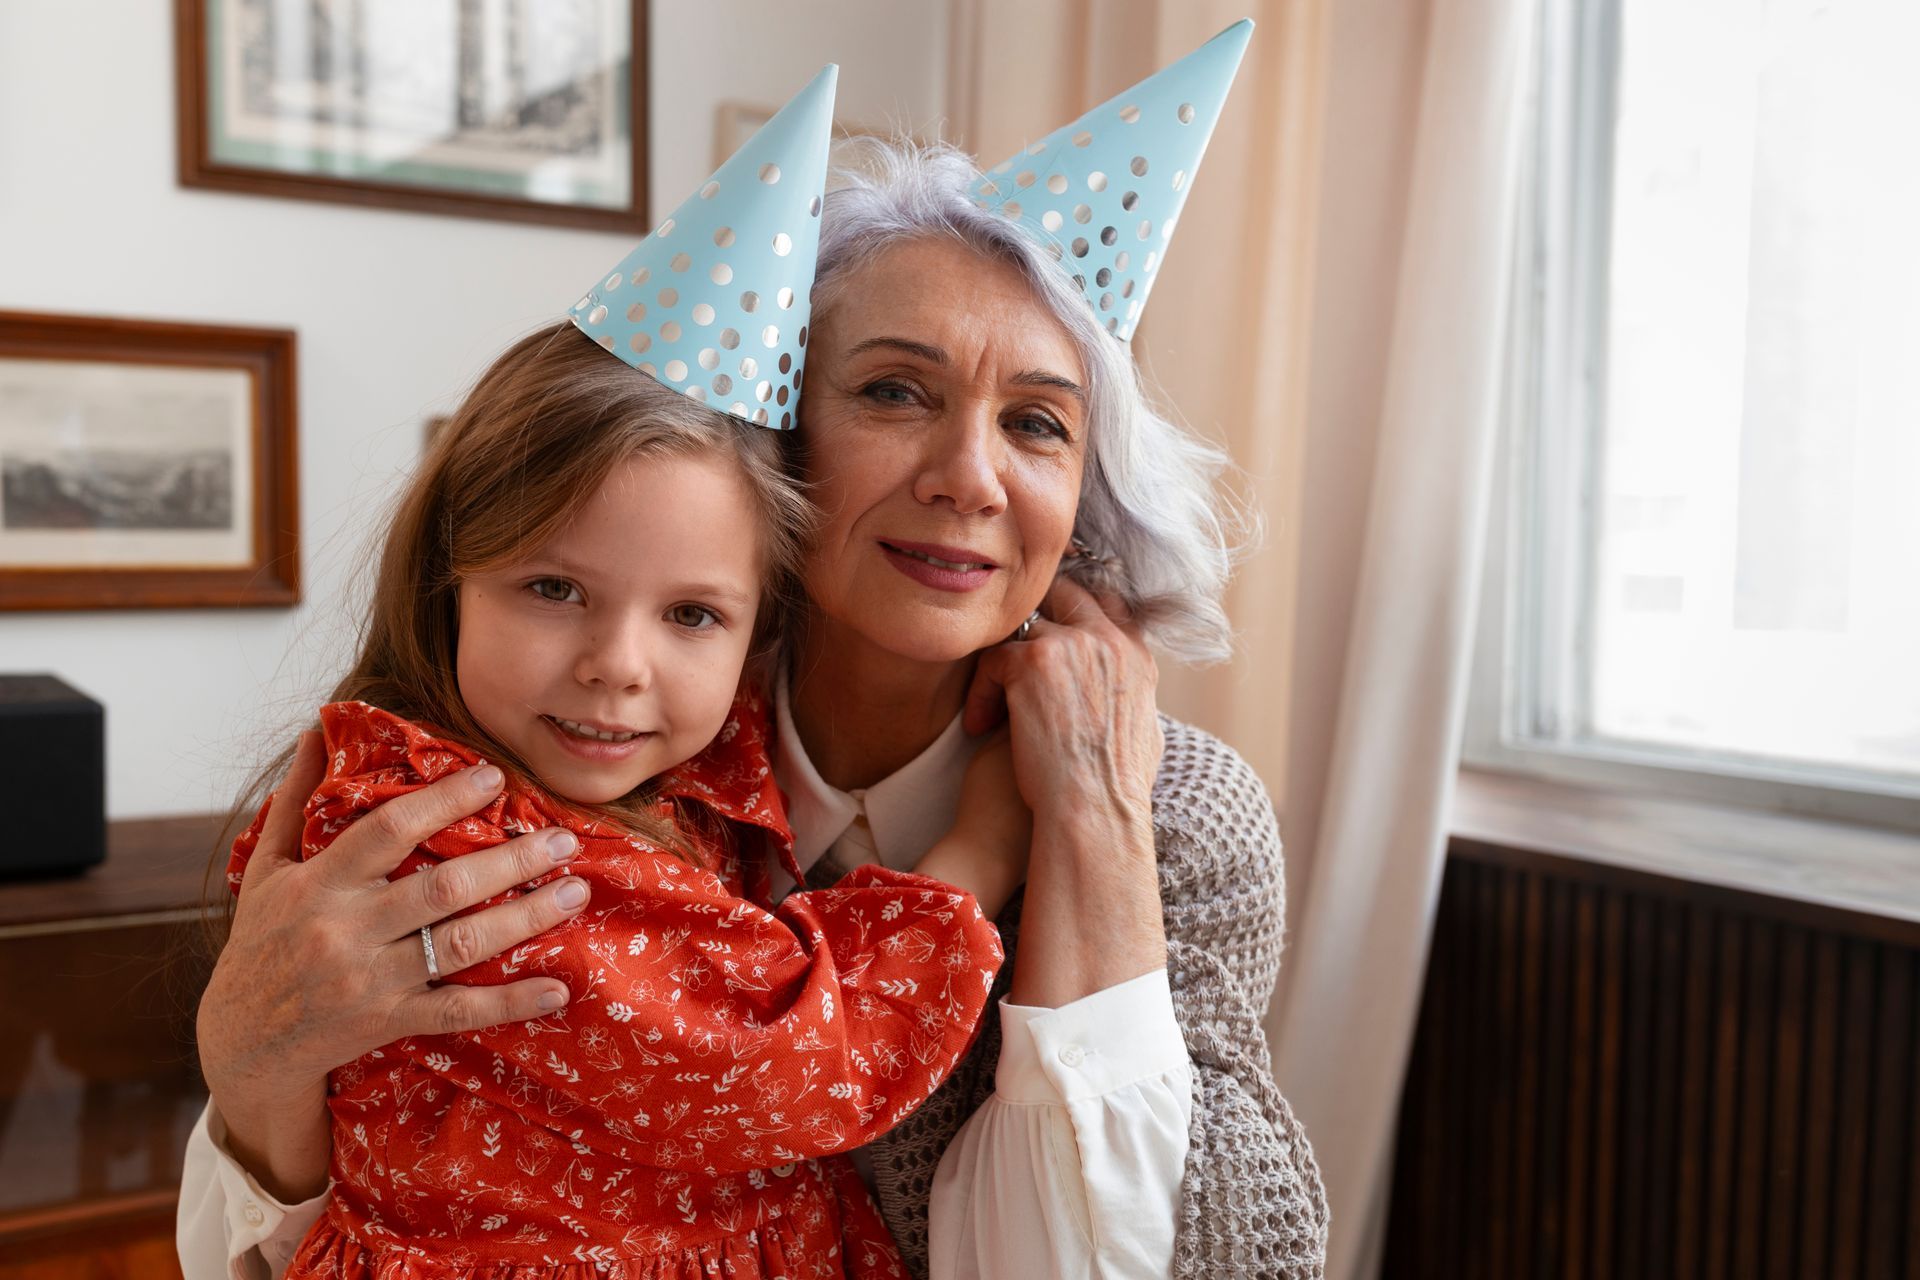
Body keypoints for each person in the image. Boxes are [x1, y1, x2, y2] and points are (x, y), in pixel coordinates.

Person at [183, 23, 1330, 1280]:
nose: (968, 477)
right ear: (770, 455)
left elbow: (1228, 1263)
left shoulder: (1184, 814)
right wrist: (250, 1068)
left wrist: (1092, 819)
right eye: (896, 391)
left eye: (1039, 423)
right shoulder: (596, 767)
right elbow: (293, 1217)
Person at [199, 69, 1025, 1280]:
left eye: (693, 612)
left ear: (757, 629)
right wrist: (987, 846)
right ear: (449, 577)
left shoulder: (660, 767)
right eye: (553, 588)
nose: (617, 668)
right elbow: (787, 1061)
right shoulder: (457, 843)